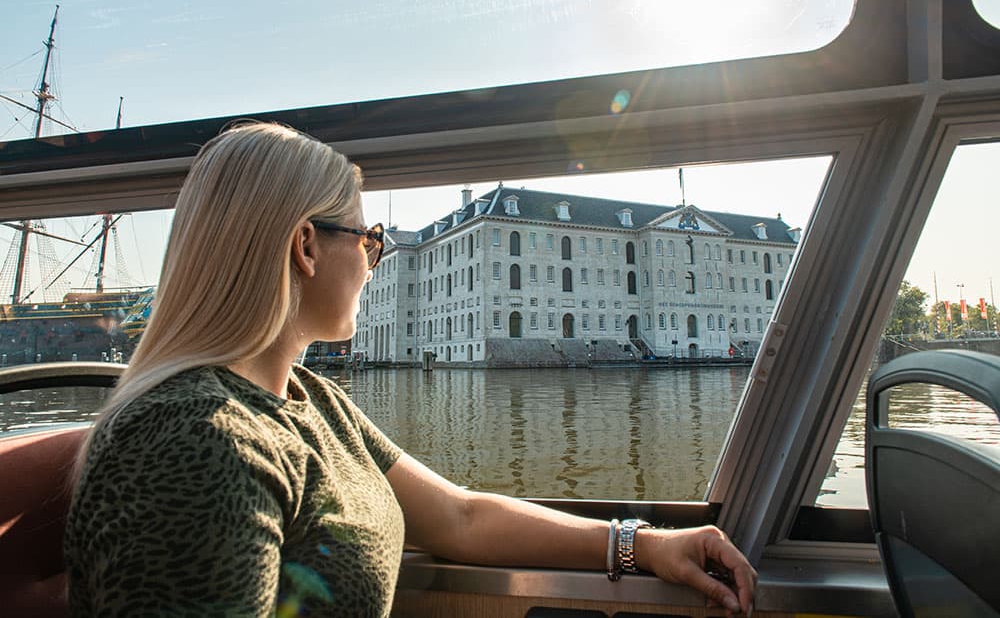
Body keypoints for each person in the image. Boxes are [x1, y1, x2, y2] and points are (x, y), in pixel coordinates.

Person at [65, 122, 756, 617]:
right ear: (306, 247)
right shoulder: (195, 442)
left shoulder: (307, 399)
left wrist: (641, 545)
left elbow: (459, 516)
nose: (375, 261)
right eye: (369, 239)